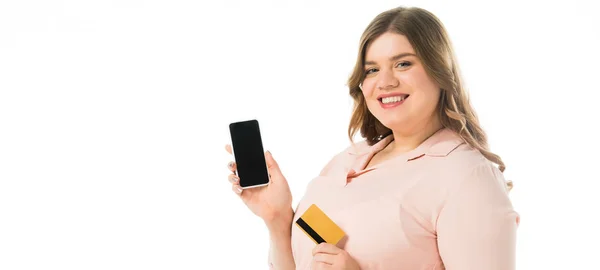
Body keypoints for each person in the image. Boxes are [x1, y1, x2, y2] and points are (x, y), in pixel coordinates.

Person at [225, 6, 519, 270]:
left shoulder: (467, 177)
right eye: (372, 69)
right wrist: (278, 219)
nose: (385, 81)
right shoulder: (346, 161)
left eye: (403, 64)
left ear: (439, 71)